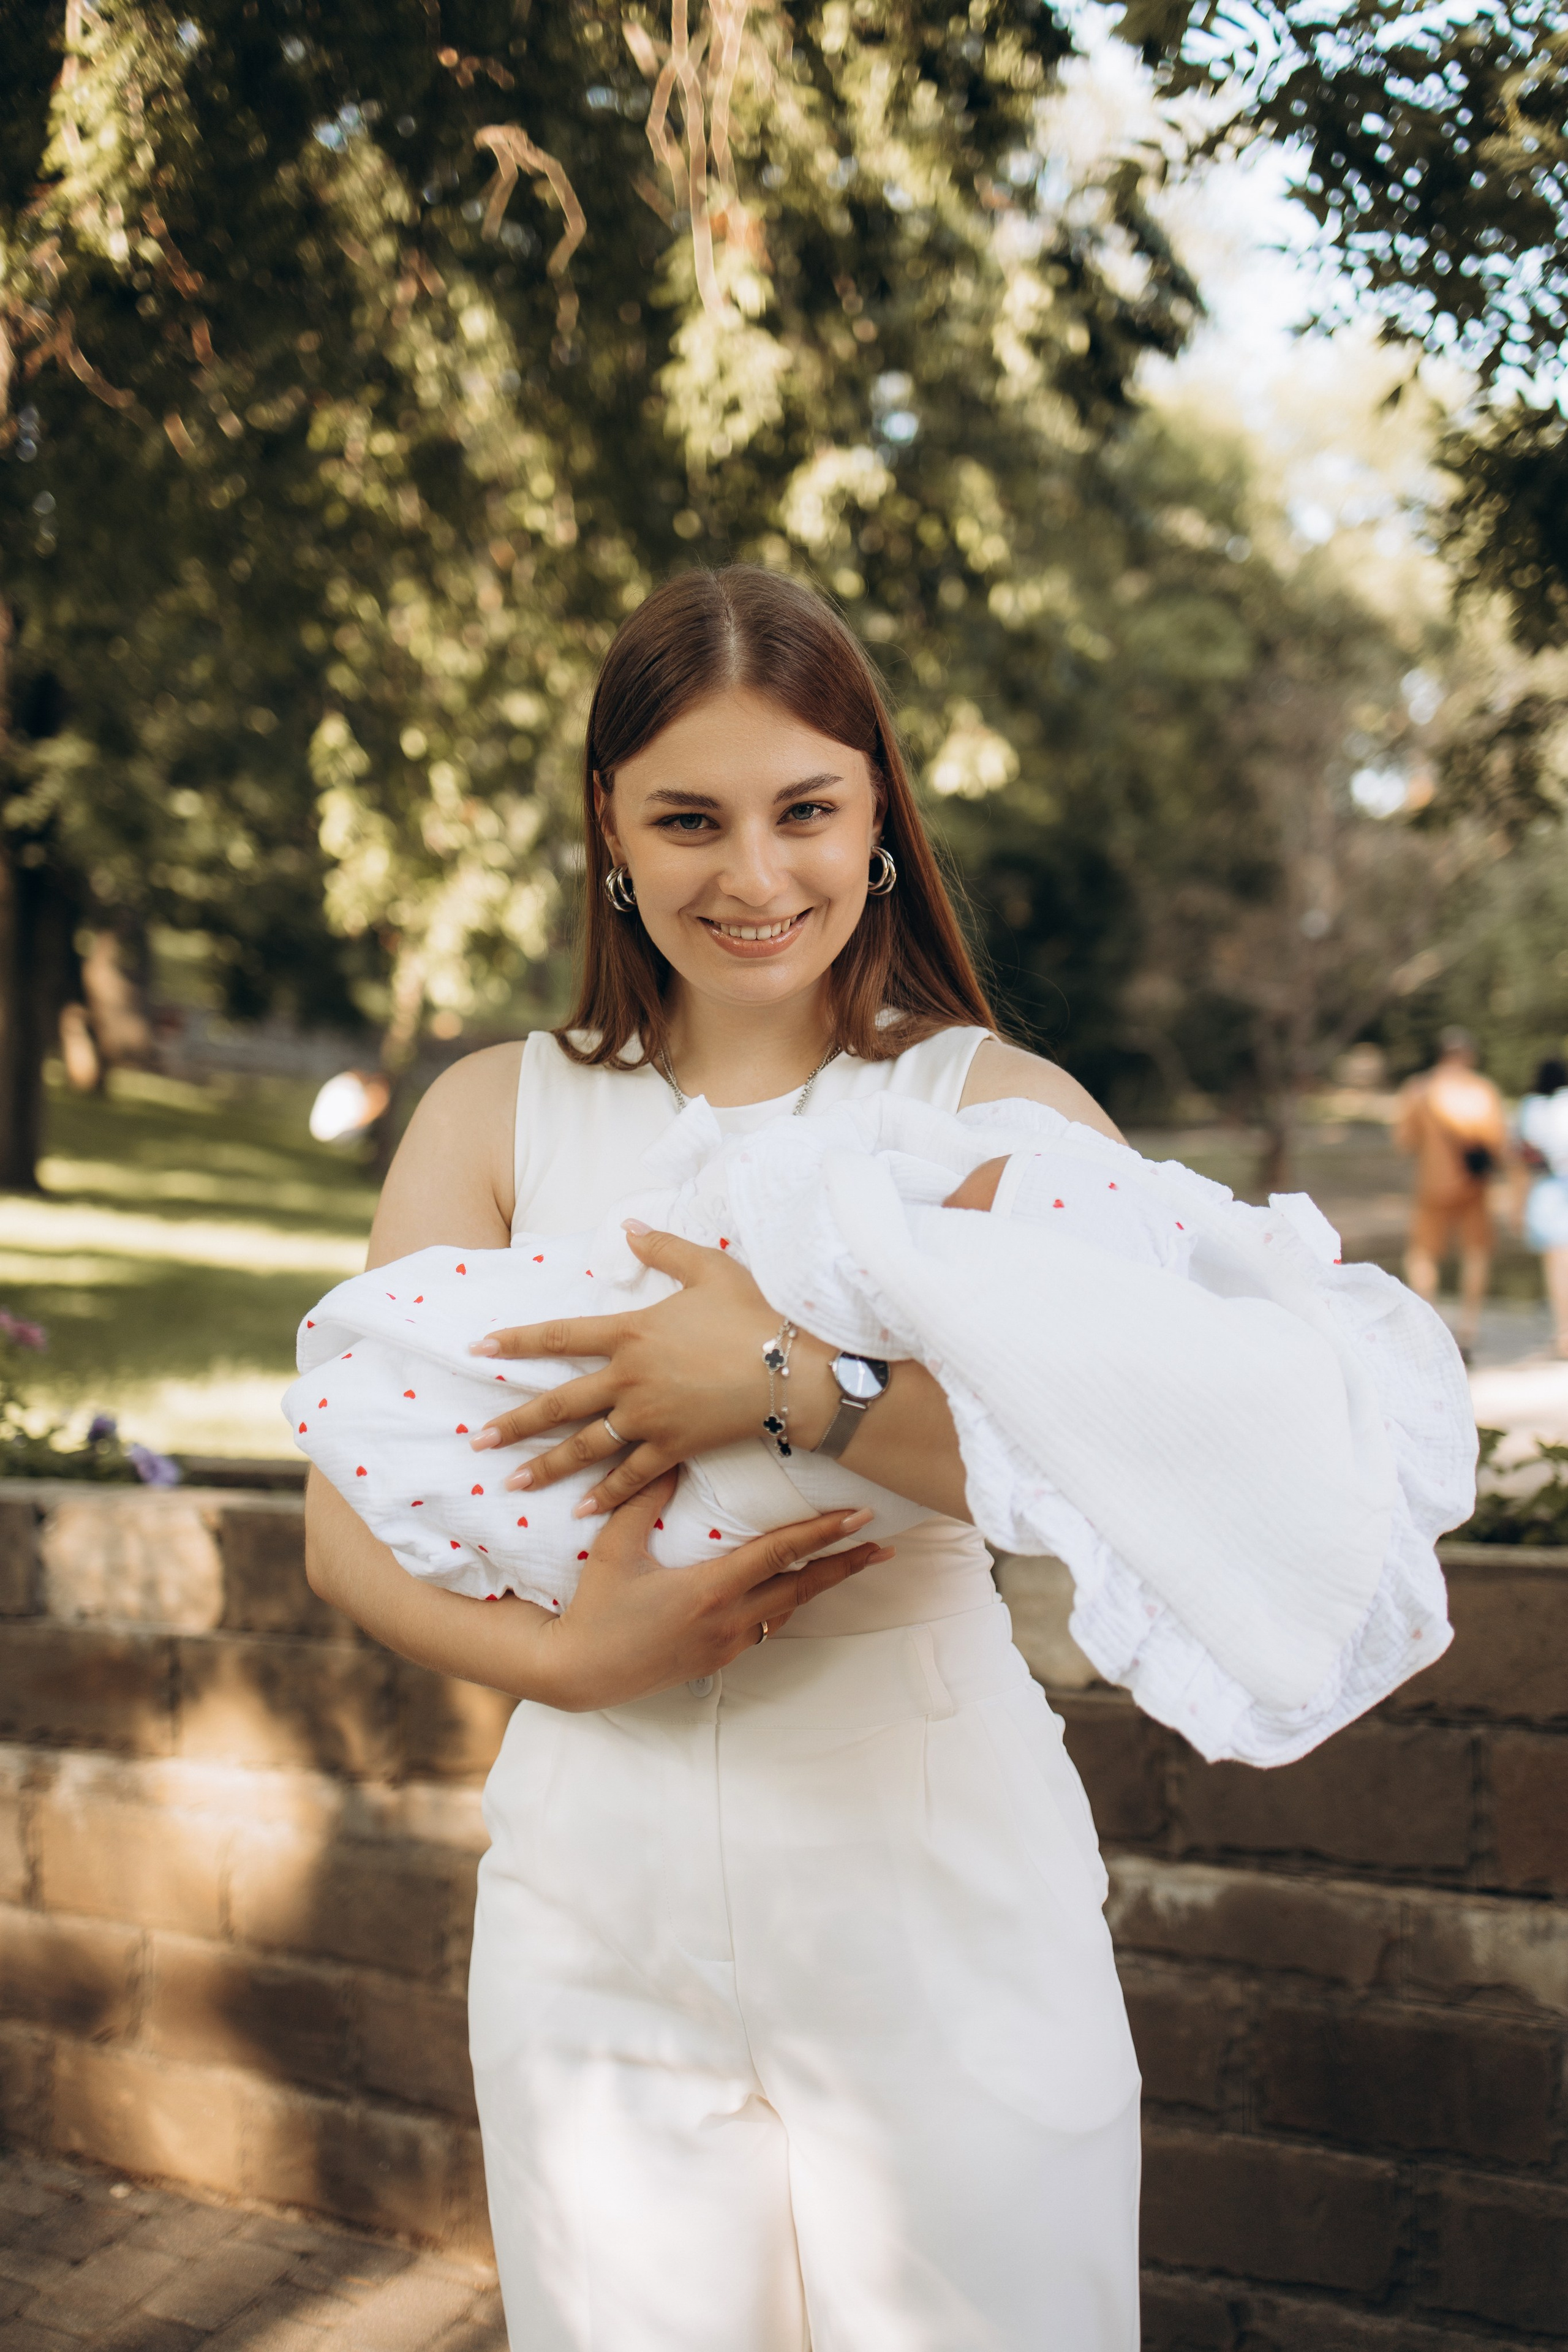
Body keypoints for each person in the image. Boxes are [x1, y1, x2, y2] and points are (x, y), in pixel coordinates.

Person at [303, 568, 1471, 2351]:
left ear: (875, 820)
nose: (751, 875)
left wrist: (785, 1379)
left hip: (929, 1880)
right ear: (607, 828)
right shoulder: (495, 1109)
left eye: (803, 810)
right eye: (687, 817)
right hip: (589, 1890)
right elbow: (342, 1527)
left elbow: (1163, 1466)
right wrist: (572, 1659)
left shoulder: (989, 1111)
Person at [1394, 1026, 1508, 1360]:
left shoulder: (1419, 1090)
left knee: (1422, 1254)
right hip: (1475, 1187)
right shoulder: (1483, 1091)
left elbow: (1405, 1141)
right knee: (1476, 1253)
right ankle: (1468, 1331)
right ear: (1469, 1055)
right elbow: (1497, 1144)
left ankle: (1431, 1328)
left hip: (1433, 1184)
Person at [1513, 1055, 1568, 1360]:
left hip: (1546, 1190)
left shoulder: (1529, 1109)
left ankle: (1563, 1332)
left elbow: (1523, 1160)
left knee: (1557, 1265)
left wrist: (1517, 1206)